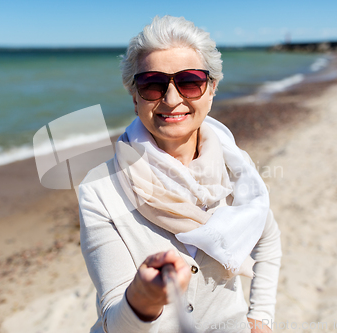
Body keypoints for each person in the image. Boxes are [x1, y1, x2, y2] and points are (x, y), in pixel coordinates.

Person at [78, 15, 282, 333]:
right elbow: (114, 324)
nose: (172, 100)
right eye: (152, 85)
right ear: (134, 97)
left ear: (211, 90)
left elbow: (268, 237)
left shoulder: (236, 166)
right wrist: (143, 300)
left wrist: (261, 317)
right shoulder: (100, 189)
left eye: (190, 82)